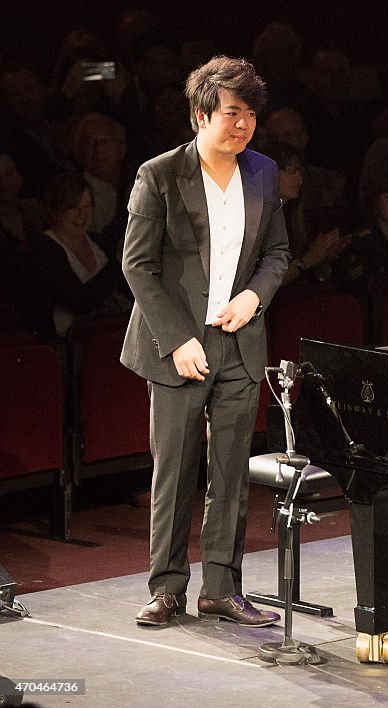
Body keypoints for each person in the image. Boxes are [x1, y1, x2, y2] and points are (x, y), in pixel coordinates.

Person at [120, 56, 290, 628]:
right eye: (231, 113)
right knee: (174, 471)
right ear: (201, 115)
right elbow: (138, 266)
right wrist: (175, 340)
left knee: (232, 473)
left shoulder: (263, 171)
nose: (242, 125)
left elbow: (278, 253)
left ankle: (222, 587)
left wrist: (254, 298)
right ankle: (166, 588)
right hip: (178, 347)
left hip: (239, 344)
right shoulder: (160, 175)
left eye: (250, 115)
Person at [19, 172, 130, 339]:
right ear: (55, 210)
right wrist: (117, 263)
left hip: (110, 338)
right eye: (73, 207)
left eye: (87, 206)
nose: (82, 214)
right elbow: (78, 300)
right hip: (64, 347)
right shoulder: (42, 251)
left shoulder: (100, 243)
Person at [261, 141, 348, 288]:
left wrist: (322, 257)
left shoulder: (292, 216)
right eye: (290, 170)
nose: (299, 177)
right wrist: (308, 260)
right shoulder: (254, 221)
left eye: (300, 170)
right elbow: (263, 283)